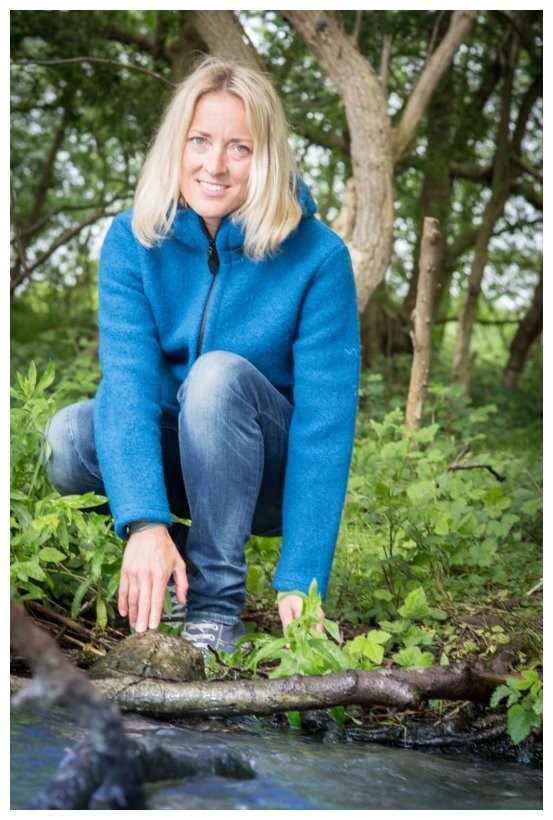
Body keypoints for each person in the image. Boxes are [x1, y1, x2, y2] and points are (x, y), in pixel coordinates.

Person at [45, 56, 360, 654]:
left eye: (239, 148)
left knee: (215, 377)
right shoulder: (133, 238)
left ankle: (215, 609)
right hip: (180, 458)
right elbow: (130, 384)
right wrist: (144, 520)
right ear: (177, 145)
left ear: (266, 157)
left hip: (267, 474)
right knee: (70, 439)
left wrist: (302, 577)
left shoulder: (319, 257)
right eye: (200, 141)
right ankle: (170, 567)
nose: (214, 165)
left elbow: (325, 427)